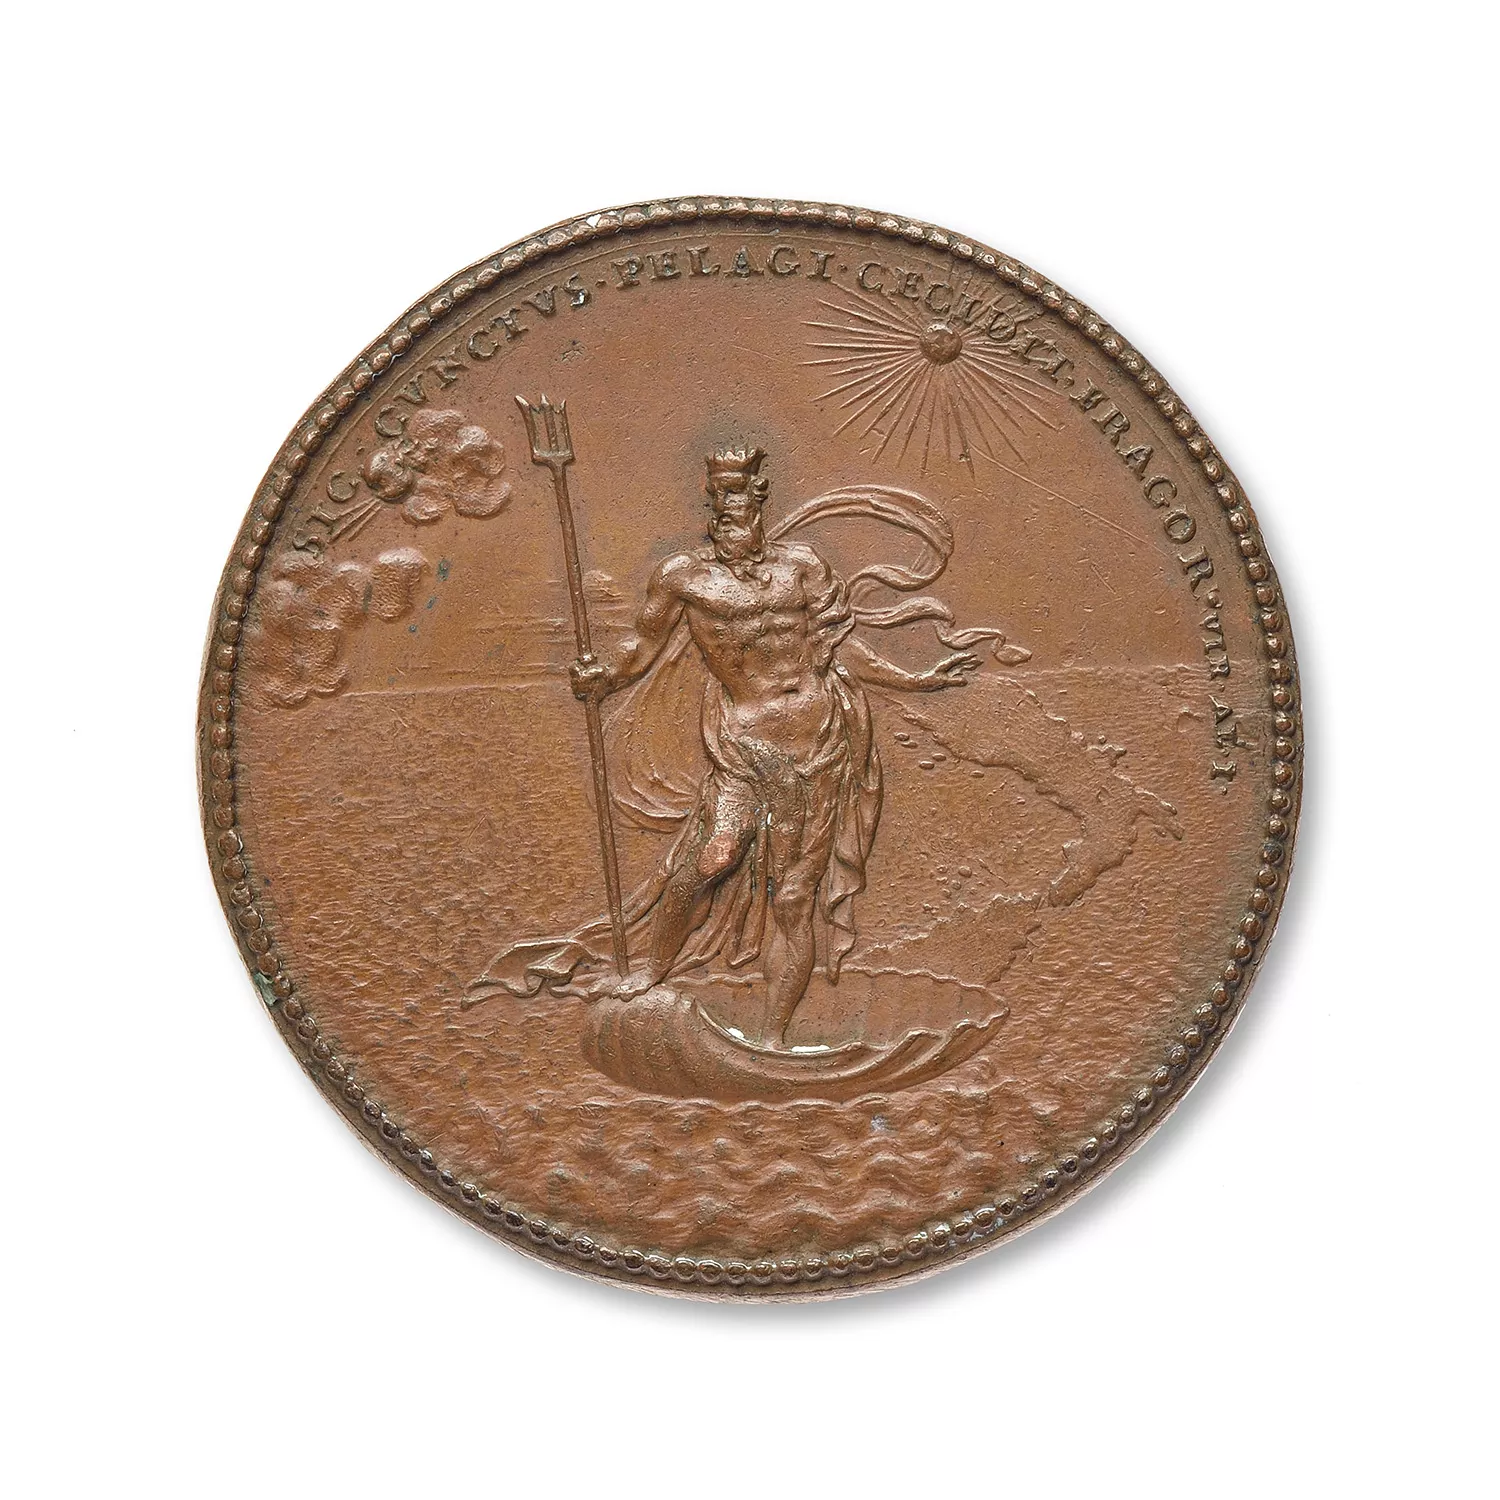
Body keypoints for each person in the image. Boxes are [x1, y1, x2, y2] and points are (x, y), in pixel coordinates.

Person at [568, 446, 977, 1042]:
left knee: (793, 898)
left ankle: (773, 1038)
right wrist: (601, 679)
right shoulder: (683, 578)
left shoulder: (803, 569)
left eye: (737, 498)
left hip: (819, 742)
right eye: (717, 501)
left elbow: (839, 651)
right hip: (744, 745)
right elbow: (640, 647)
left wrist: (914, 679)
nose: (726, 511)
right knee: (713, 857)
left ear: (758, 500)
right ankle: (652, 969)